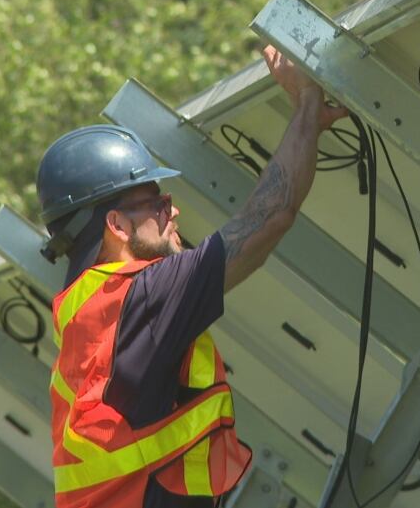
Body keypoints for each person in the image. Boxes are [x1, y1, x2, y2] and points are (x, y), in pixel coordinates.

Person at [35, 46, 348, 508]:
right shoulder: (138, 298)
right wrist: (306, 104)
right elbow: (269, 216)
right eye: (158, 204)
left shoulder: (88, 306)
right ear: (116, 225)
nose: (173, 210)